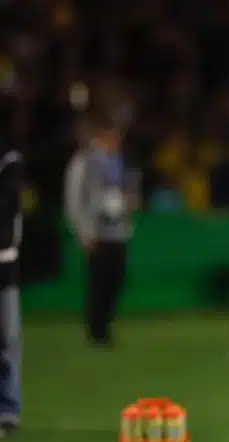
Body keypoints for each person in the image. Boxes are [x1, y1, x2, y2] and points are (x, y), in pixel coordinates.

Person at [64, 115, 138, 346]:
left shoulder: (122, 161)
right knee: (97, 282)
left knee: (115, 281)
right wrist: (83, 232)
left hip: (119, 232)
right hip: (96, 233)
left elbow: (131, 188)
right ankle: (96, 330)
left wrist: (131, 203)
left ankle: (106, 326)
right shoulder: (84, 162)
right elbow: (74, 199)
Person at [0, 146, 23, 437]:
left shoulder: (8, 160)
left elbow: (7, 208)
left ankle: (7, 410)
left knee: (7, 339)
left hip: (3, 262)